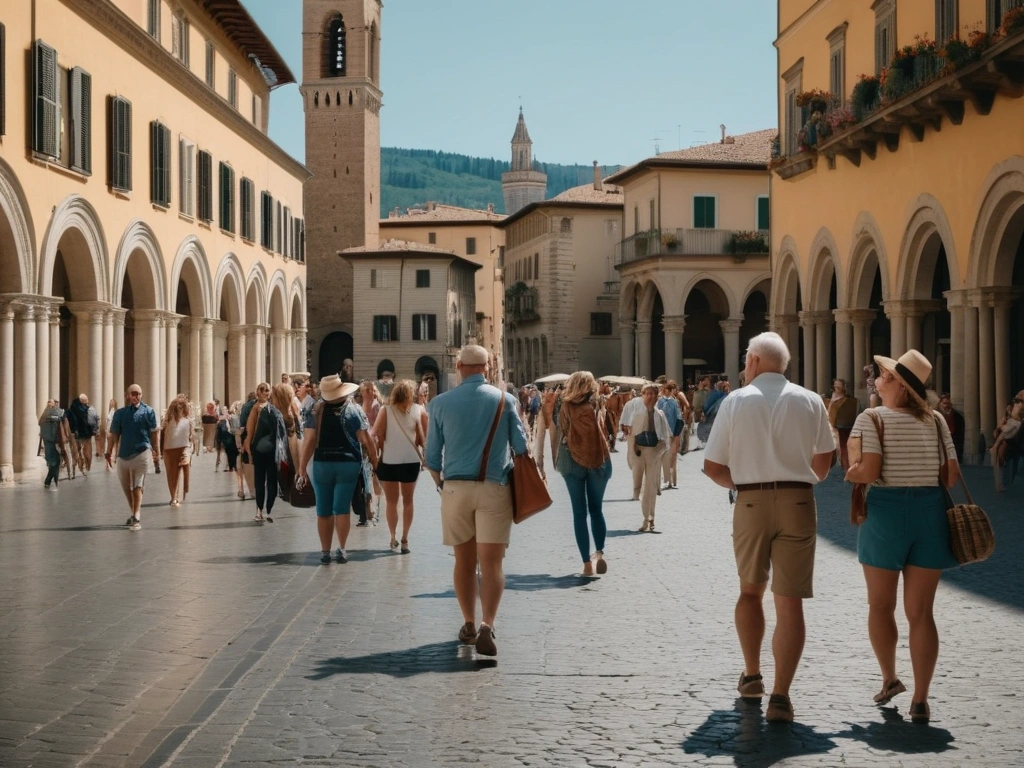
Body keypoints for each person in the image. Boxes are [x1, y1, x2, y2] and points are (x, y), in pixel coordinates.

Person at [703, 332, 835, 723]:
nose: (745, 366)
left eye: (747, 360)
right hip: (798, 500)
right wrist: (803, 477)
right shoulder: (811, 400)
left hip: (751, 500)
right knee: (790, 601)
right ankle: (781, 697)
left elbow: (712, 466)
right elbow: (826, 459)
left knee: (750, 592)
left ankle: (752, 676)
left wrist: (742, 483)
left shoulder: (736, 401)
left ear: (756, 361)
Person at [845, 350, 960, 724]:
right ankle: (922, 700)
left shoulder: (872, 418)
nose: (876, 380)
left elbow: (869, 470)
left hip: (886, 514)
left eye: (881, 375)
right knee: (922, 613)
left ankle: (890, 678)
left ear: (896, 383)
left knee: (881, 605)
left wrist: (851, 471)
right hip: (930, 514)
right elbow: (950, 477)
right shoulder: (938, 421)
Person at [425, 344, 529, 657]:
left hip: (455, 488)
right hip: (494, 487)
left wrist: (442, 484)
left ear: (458, 366)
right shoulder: (505, 400)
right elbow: (521, 447)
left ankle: (468, 623)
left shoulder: (440, 403)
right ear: (488, 368)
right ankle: (488, 624)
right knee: (492, 563)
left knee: (464, 562)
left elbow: (432, 457)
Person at [297, 375, 377, 563]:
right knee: (342, 508)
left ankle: (325, 551)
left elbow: (308, 442)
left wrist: (301, 468)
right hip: (348, 463)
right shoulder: (354, 409)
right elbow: (366, 439)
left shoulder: (315, 411)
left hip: (322, 463)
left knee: (323, 510)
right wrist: (375, 460)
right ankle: (341, 548)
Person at [555, 371, 612, 576]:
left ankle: (586, 563)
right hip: (599, 458)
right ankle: (600, 553)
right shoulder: (598, 402)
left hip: (571, 460)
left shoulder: (563, 404)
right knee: (597, 509)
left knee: (579, 513)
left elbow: (559, 426)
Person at [372, 379, 427, 553]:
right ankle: (405, 539)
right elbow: (422, 439)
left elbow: (376, 435)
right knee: (408, 501)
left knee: (391, 502)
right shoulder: (419, 410)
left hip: (389, 461)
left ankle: (392, 536)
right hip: (410, 461)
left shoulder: (385, 410)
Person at [106, 384, 161, 531]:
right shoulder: (120, 414)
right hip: (123, 455)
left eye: (139, 394)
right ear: (127, 395)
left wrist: (156, 452)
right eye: (134, 393)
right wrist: (108, 452)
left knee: (138, 484)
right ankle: (133, 512)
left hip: (142, 452)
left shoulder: (149, 411)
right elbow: (114, 434)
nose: (137, 396)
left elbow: (154, 433)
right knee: (126, 487)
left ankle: (137, 515)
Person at [629, 383, 671, 532]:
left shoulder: (660, 414)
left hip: (654, 451)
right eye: (647, 393)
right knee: (639, 483)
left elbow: (666, 436)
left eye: (653, 393)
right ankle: (645, 516)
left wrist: (661, 450)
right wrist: (633, 452)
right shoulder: (638, 413)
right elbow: (631, 435)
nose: (650, 396)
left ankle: (649, 518)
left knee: (651, 486)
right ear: (643, 395)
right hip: (639, 451)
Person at [243, 383, 286, 523]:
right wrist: (247, 447)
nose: (266, 393)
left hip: (271, 450)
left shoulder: (273, 409)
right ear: (258, 392)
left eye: (267, 390)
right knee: (261, 480)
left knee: (271, 480)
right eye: (263, 390)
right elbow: (249, 429)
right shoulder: (254, 408)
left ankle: (268, 509)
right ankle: (260, 510)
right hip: (260, 450)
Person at [272, 382, 303, 503]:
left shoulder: (276, 412)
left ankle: (289, 494)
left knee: (285, 474)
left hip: (284, 449)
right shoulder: (293, 410)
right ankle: (290, 494)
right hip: (292, 447)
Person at [161, 396, 193, 507]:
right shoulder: (168, 420)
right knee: (171, 474)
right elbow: (163, 435)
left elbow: (190, 436)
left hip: (183, 448)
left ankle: (180, 494)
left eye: (182, 407)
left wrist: (189, 450)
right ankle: (173, 497)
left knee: (182, 470)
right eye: (178, 407)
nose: (180, 409)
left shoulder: (188, 420)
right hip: (169, 449)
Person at [619, 388, 647, 500]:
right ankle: (642, 491)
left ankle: (637, 493)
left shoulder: (630, 404)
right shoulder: (651, 404)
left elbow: (622, 423)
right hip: (645, 436)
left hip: (633, 435)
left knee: (636, 463)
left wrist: (626, 432)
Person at [827, 378, 859, 471]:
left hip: (841, 428)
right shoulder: (828, 398)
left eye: (839, 385)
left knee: (842, 450)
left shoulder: (848, 400)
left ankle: (845, 469)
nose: (837, 387)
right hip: (829, 426)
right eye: (836, 385)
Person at [657, 381, 684, 490]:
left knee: (667, 456)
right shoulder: (672, 402)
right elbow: (679, 418)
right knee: (671, 457)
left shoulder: (661, 402)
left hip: (667, 433)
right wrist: (677, 434)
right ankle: (669, 481)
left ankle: (670, 481)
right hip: (670, 433)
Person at [68, 393, 99, 475]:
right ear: (82, 401)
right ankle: (86, 466)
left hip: (75, 433)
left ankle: (79, 467)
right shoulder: (88, 409)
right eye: (86, 400)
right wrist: (94, 430)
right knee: (87, 450)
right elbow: (92, 421)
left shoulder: (72, 409)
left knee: (77, 451)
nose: (88, 401)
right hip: (86, 433)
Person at [39, 400, 65, 489]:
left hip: (54, 441)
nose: (52, 404)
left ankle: (49, 481)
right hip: (50, 441)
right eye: (50, 402)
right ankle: (51, 481)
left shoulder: (57, 413)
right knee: (54, 462)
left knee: (55, 462)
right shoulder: (49, 415)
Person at [936, 393, 965, 464]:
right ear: (940, 404)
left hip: (953, 443)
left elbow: (960, 434)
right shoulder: (935, 415)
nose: (945, 406)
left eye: (947, 404)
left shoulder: (957, 416)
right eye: (944, 403)